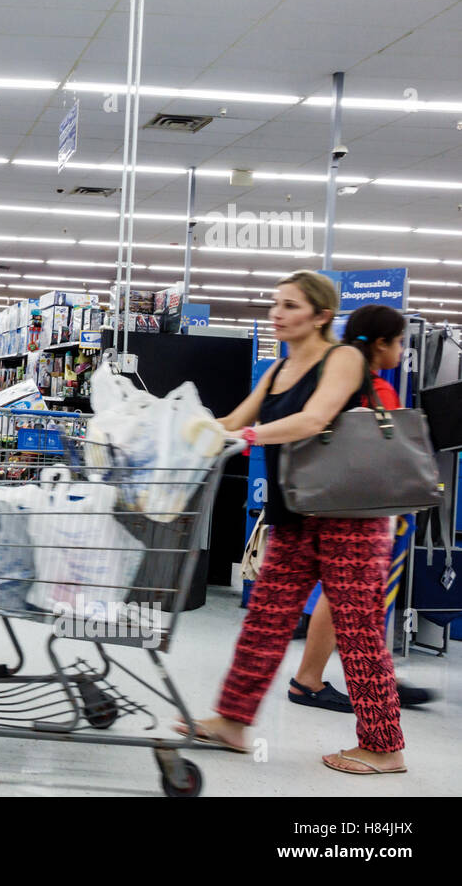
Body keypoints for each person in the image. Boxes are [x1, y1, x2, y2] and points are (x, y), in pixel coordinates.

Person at [179, 271, 405, 776]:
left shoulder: (341, 358)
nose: (276, 314)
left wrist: (253, 435)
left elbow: (315, 419)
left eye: (290, 305)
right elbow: (233, 421)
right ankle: (232, 721)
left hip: (348, 520)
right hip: (294, 515)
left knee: (358, 630)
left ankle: (384, 746)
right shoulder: (277, 369)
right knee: (265, 620)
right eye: (275, 304)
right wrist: (175, 425)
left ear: (322, 316)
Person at [287, 303, 436, 713]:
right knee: (352, 603)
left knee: (345, 600)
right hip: (363, 515)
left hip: (329, 505)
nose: (402, 349)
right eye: (400, 341)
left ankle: (322, 678)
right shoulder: (376, 391)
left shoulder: (334, 382)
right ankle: (327, 681)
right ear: (382, 343)